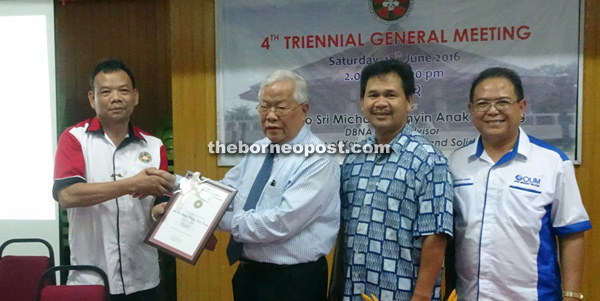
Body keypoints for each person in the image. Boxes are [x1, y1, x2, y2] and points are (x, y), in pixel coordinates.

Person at [447, 67, 591, 300]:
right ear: (471, 110)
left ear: (521, 107)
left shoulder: (552, 162)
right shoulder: (455, 163)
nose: (493, 111)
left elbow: (571, 233)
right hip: (469, 296)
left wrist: (572, 294)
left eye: (503, 102)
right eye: (482, 103)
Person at [330, 59, 453, 301]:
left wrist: (421, 297)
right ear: (362, 102)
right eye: (372, 95)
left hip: (403, 294)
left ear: (409, 101)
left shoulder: (429, 160)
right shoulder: (355, 157)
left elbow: (436, 237)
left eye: (391, 95)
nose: (381, 103)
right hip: (355, 291)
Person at [53, 58, 176, 300]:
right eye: (106, 92)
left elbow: (158, 205)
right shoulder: (74, 139)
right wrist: (131, 184)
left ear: (135, 96)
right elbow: (68, 195)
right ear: (92, 99)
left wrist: (167, 212)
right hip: (91, 277)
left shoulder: (154, 145)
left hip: (143, 276)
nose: (116, 98)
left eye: (123, 90)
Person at [217, 69, 340, 301]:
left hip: (293, 283)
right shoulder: (259, 148)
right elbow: (225, 190)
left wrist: (217, 220)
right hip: (249, 275)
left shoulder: (317, 160)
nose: (271, 115)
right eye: (264, 106)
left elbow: (281, 223)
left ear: (304, 111)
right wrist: (179, 186)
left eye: (281, 107)